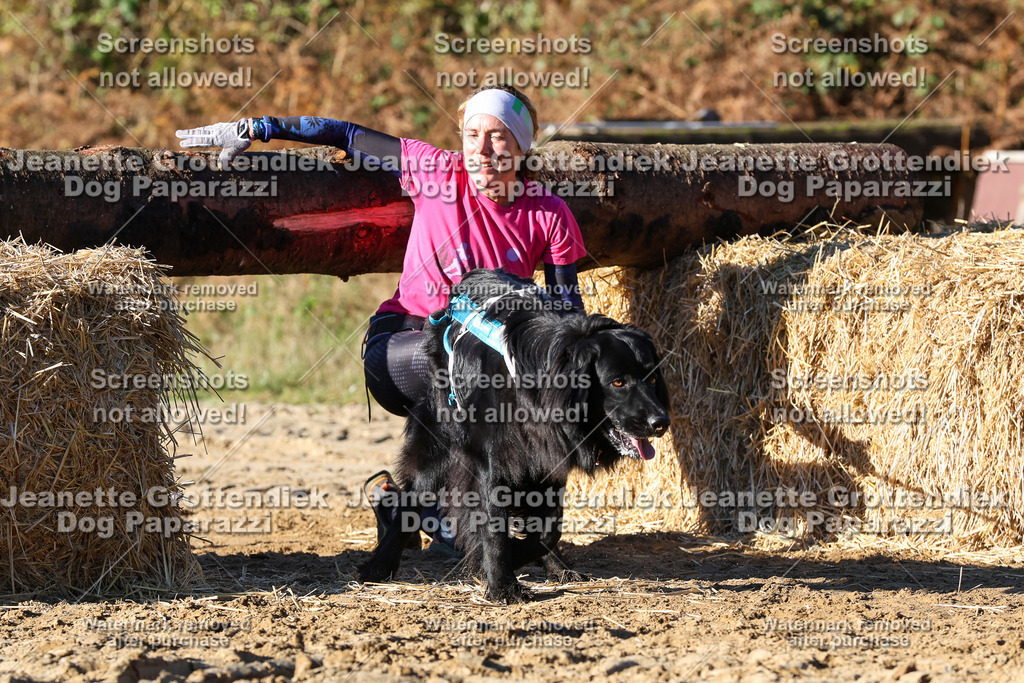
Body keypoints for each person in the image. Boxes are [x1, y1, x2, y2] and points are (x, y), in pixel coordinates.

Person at [176, 84, 587, 553]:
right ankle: (441, 514)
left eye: (498, 137)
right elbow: (346, 133)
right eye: (472, 134)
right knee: (468, 367)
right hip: (399, 346)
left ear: (521, 145)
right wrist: (257, 127)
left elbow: (566, 315)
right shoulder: (435, 170)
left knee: (498, 389)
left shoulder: (548, 213)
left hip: (476, 367)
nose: (482, 149)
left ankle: (402, 506)